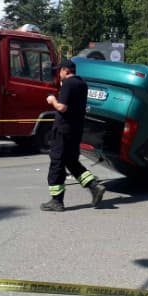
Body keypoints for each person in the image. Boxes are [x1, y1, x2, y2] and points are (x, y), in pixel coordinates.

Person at [41, 59, 105, 212]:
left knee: (57, 163)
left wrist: (52, 100)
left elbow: (62, 107)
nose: (59, 74)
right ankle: (94, 186)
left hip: (63, 130)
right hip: (75, 130)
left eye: (59, 71)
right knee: (71, 161)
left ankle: (56, 201)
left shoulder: (69, 84)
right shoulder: (82, 84)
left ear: (65, 70)